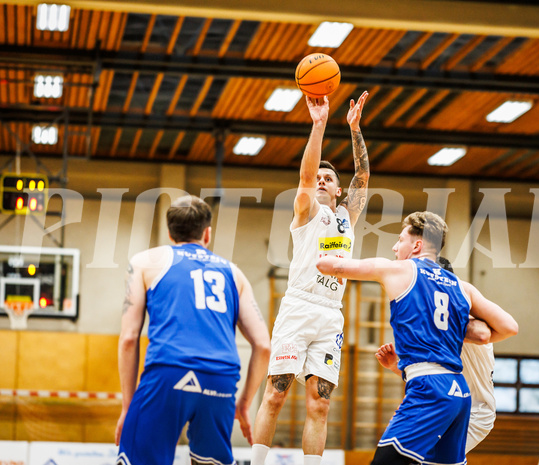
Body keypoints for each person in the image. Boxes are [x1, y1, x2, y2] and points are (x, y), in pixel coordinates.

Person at [317, 211, 518, 465]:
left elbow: (330, 266)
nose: (394, 246)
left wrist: (317, 241)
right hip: (460, 393)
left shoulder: (401, 271)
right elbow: (510, 327)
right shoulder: (461, 288)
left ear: (417, 245)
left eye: (400, 240)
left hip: (437, 393)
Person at [251, 90, 370, 465]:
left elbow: (363, 176)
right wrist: (319, 124)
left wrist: (355, 129)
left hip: (330, 313)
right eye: (317, 175)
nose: (319, 179)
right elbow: (305, 174)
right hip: (299, 305)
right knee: (275, 394)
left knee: (320, 403)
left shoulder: (346, 217)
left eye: (327, 177)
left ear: (338, 189)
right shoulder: (306, 210)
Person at [115, 195, 271, 465]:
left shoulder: (145, 262)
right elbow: (264, 345)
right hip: (220, 379)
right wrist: (244, 403)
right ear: (207, 233)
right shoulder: (234, 273)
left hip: (168, 372)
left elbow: (129, 339)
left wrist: (129, 406)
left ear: (169, 231)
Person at [376, 256, 499, 453]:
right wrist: (395, 367)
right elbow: (435, 376)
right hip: (447, 403)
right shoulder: (432, 321)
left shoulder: (460, 313)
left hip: (474, 411)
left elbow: (483, 334)